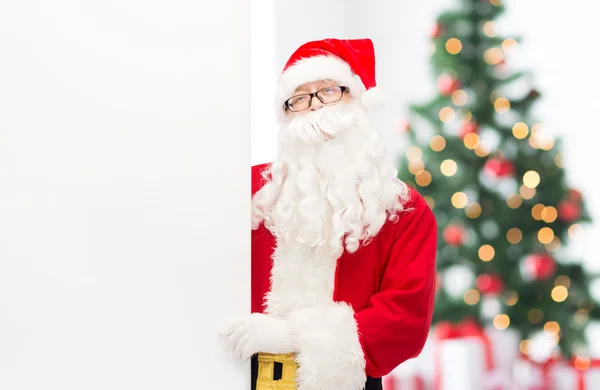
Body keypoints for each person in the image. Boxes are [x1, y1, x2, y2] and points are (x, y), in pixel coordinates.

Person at [221, 38, 437, 390]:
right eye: (300, 98)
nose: (315, 107)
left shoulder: (404, 210)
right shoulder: (250, 191)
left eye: (329, 91)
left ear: (358, 101)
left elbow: (405, 321)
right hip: (236, 374)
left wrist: (294, 336)